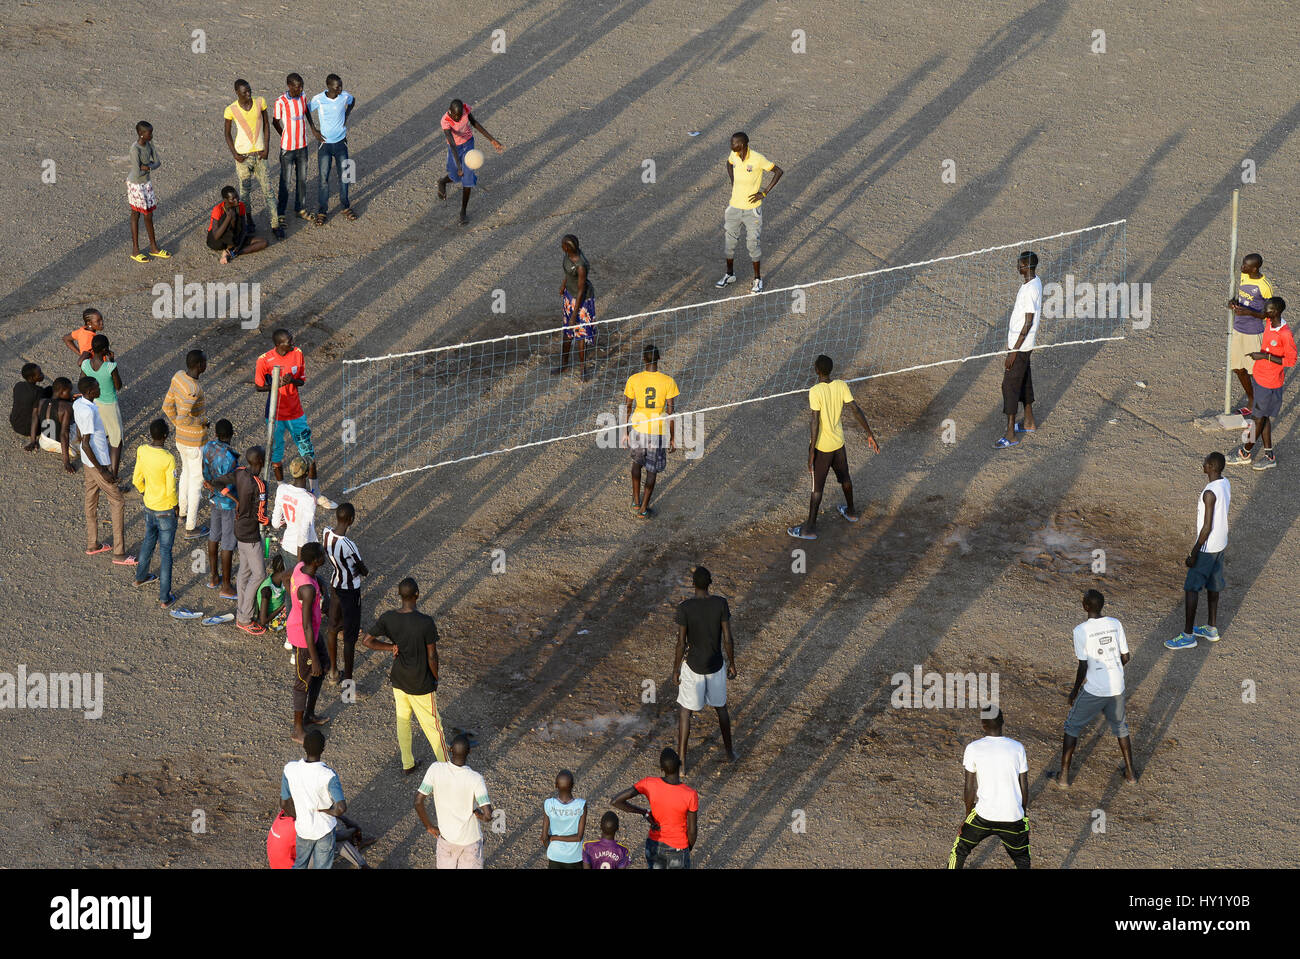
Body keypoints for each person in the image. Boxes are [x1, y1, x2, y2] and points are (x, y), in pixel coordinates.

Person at [788, 354, 880, 540]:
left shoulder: (815, 391)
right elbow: (855, 409)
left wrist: (812, 450)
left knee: (817, 489)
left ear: (816, 370)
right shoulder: (841, 385)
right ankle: (851, 511)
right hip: (839, 443)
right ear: (830, 370)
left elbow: (814, 421)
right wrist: (869, 433)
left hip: (823, 447)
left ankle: (810, 529)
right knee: (845, 478)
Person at [361, 578, 449, 771]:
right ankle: (447, 768)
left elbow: (367, 640)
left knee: (403, 721)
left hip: (399, 680)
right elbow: (432, 655)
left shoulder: (388, 617)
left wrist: (390, 647)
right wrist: (435, 678)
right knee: (433, 726)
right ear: (417, 594)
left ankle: (407, 763)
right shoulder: (425, 622)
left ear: (400, 595)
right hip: (420, 682)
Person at [1054, 590, 1137, 788]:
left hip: (1095, 689)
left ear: (1085, 607)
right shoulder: (1115, 623)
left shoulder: (1080, 630)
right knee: (1121, 728)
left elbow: (1083, 665)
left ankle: (1064, 777)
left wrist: (1074, 692)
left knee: (1072, 727)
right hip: (1117, 686)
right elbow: (1125, 657)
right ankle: (1131, 774)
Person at [255, 328, 335, 506]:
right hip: (275, 416)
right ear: (278, 345)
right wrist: (276, 384)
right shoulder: (264, 360)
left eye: (292, 339)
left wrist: (291, 381)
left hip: (296, 413)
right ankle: (282, 489)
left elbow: (302, 381)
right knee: (276, 456)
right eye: (288, 341)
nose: (293, 343)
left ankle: (315, 493)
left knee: (308, 452)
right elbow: (259, 387)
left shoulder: (297, 353)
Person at [670, 566, 737, 775]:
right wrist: (732, 662)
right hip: (716, 665)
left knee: (685, 712)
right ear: (710, 583)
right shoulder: (720, 603)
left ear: (693, 584)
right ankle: (730, 753)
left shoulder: (685, 607)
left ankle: (681, 764)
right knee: (721, 709)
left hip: (693, 667)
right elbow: (727, 637)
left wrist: (675, 670)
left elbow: (681, 643)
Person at [949, 709, 1030, 869]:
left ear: (983, 724)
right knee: (1022, 860)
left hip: (983, 816)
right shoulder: (1018, 748)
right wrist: (1023, 816)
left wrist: (967, 818)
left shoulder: (973, 748)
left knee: (959, 851)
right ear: (1002, 722)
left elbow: (969, 788)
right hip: (1013, 817)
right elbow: (1024, 788)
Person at [1167, 452, 1230, 649]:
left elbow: (1206, 527)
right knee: (1213, 585)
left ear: (1211, 466)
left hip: (1207, 547)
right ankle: (1211, 629)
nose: (1202, 464)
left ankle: (1188, 636)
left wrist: (1193, 553)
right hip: (1221, 543)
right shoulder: (1225, 482)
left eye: (1205, 463)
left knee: (1191, 588)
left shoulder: (1209, 493)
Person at [1228, 296, 1295, 471]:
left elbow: (1291, 360)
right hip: (1260, 378)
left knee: (1257, 419)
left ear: (1275, 312)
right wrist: (1236, 305)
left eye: (1267, 309)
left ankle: (1244, 453)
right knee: (1262, 417)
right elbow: (1256, 314)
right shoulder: (1269, 320)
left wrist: (1264, 356)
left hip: (1270, 383)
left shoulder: (1285, 334)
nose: (1264, 311)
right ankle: (1269, 455)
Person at [210, 445, 270, 635]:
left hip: (239, 531)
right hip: (251, 534)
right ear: (261, 462)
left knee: (244, 572)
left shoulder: (240, 472)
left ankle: (241, 612)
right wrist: (275, 522)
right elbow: (261, 517)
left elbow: (217, 483)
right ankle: (245, 618)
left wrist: (236, 501)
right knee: (259, 574)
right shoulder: (260, 485)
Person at [715, 132, 782, 294]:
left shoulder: (758, 159)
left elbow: (778, 171)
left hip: (752, 211)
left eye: (734, 143)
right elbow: (729, 163)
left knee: (753, 243)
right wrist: (732, 180)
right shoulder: (734, 154)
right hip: (734, 208)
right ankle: (729, 275)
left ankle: (757, 279)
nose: (731, 145)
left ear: (743, 144)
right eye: (731, 142)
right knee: (729, 244)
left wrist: (763, 193)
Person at [74, 376, 132, 563]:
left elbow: (79, 433)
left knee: (90, 500)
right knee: (117, 501)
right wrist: (104, 471)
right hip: (97, 462)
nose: (100, 389)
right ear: (91, 392)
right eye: (97, 387)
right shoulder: (90, 412)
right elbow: (85, 443)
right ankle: (119, 553)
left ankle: (93, 544)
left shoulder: (78, 404)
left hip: (87, 463)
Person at [414, 734, 493, 869]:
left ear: (450, 750)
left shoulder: (435, 769)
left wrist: (429, 826)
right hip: (471, 842)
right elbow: (488, 815)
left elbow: (418, 801)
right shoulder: (476, 779)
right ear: (469, 752)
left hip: (446, 840)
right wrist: (479, 815)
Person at [612, 748, 698, 869]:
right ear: (679, 764)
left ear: (662, 768)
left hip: (654, 844)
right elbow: (693, 830)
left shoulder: (649, 783)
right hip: (678, 848)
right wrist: (687, 849)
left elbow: (616, 801)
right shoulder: (690, 794)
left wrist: (644, 812)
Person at [622, 344, 679, 518]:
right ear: (659, 359)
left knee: (636, 463)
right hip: (657, 431)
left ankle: (636, 500)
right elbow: (671, 412)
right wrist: (672, 437)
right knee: (652, 470)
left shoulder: (634, 379)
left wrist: (625, 431)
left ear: (643, 359)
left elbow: (627, 406)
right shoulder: (668, 381)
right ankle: (643, 509)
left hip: (638, 428)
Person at [279, 729, 346, 869]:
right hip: (324, 830)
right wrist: (328, 811)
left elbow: (284, 803)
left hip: (303, 829)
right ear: (323, 749)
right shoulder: (329, 775)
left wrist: (299, 816)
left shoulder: (290, 769)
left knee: (300, 864)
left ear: (304, 747)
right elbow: (341, 808)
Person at [131, 418, 181, 608]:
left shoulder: (142, 451)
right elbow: (171, 488)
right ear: (166, 436)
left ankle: (140, 577)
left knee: (148, 540)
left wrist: (144, 491)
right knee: (166, 552)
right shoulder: (168, 458)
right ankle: (164, 597)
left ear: (151, 434)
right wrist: (175, 505)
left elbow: (137, 478)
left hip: (149, 505)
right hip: (165, 509)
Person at [223, 79, 282, 236]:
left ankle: (275, 224)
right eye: (245, 92)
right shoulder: (231, 109)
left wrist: (267, 147)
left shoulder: (260, 102)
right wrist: (235, 154)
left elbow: (267, 125)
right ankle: (249, 221)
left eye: (249, 90)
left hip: (261, 156)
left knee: (268, 190)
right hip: (243, 157)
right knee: (244, 193)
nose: (248, 94)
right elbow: (227, 133)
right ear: (237, 92)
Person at [996, 251, 1042, 448]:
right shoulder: (1034, 282)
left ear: (1027, 266)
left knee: (1009, 386)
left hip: (1021, 347)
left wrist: (1013, 352)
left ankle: (1010, 434)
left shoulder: (1030, 289)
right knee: (1024, 380)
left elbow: (1028, 321)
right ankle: (1029, 422)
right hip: (1023, 345)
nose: (1018, 267)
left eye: (1020, 264)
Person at [162, 349, 209, 539]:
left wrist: (178, 426)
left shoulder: (178, 377)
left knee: (186, 474)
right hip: (195, 441)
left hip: (181, 439)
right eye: (205, 362)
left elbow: (167, 407)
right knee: (196, 482)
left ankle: (182, 512)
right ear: (199, 366)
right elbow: (184, 417)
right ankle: (191, 527)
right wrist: (201, 422)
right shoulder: (194, 389)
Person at [287, 542, 330, 742]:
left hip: (311, 633)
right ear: (316, 561)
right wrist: (313, 657)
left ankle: (309, 714)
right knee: (303, 681)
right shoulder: (307, 590)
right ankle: (297, 729)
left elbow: (288, 578)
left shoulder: (299, 568)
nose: (325, 554)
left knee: (323, 667)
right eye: (322, 554)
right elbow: (306, 626)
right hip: (304, 638)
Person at [436, 98, 503, 226]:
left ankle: (463, 212)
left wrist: (492, 140)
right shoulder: (445, 121)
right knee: (455, 176)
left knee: (468, 178)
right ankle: (442, 181)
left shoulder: (465, 109)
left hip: (468, 144)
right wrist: (459, 165)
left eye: (460, 115)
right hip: (455, 148)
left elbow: (475, 123)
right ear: (450, 112)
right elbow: (452, 144)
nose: (458, 117)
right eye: (455, 115)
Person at [322, 503, 368, 684]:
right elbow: (363, 569)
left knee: (332, 627)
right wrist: (361, 571)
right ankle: (348, 682)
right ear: (351, 520)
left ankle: (333, 671)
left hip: (335, 584)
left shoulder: (326, 533)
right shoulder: (349, 544)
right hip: (350, 591)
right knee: (350, 637)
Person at [272, 73, 323, 232]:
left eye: (301, 86)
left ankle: (300, 209)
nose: (300, 88)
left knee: (302, 179)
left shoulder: (302, 96)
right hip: (287, 148)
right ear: (289, 85)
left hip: (303, 146)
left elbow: (306, 111)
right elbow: (275, 121)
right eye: (296, 86)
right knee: (285, 182)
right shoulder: (281, 101)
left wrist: (313, 129)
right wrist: (284, 135)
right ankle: (280, 214)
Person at [1227, 253, 1274, 417]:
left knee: (1255, 371)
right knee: (1238, 368)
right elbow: (1241, 298)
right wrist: (1233, 303)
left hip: (1254, 333)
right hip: (1238, 329)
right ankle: (1252, 399)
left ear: (1255, 268)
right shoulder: (1244, 277)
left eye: (1245, 266)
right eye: (1242, 265)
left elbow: (1270, 313)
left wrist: (1250, 313)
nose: (1242, 268)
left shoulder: (1264, 285)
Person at [310, 74, 357, 224]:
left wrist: (347, 115)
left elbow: (353, 101)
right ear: (329, 86)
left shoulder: (344, 96)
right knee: (323, 178)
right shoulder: (318, 99)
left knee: (345, 176)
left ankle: (345, 206)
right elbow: (306, 111)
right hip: (324, 145)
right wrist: (314, 130)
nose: (340, 89)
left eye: (341, 85)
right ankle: (322, 211)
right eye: (337, 86)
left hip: (341, 143)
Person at [202, 419, 239, 598]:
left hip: (213, 499)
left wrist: (211, 487)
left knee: (213, 535)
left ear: (216, 434)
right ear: (231, 435)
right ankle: (226, 586)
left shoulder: (207, 447)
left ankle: (214, 577)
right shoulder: (231, 458)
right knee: (228, 542)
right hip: (227, 503)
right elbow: (230, 485)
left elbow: (206, 475)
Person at [268, 807, 374, 869]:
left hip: (279, 865)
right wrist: (353, 829)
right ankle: (363, 865)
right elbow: (334, 838)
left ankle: (355, 846)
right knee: (334, 842)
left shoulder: (283, 816)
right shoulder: (298, 828)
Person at [552, 235, 595, 379]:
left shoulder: (581, 266)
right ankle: (564, 365)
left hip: (581, 302)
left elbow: (581, 290)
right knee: (567, 333)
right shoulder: (568, 255)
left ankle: (583, 369)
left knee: (580, 335)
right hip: (570, 296)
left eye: (563, 244)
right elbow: (568, 273)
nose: (561, 246)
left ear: (567, 247)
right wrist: (564, 285)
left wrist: (573, 316)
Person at [80, 334, 124, 475]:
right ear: (105, 350)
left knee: (102, 435)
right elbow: (118, 386)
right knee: (116, 440)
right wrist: (112, 361)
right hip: (110, 405)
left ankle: (101, 466)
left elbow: (82, 381)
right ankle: (114, 475)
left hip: (95, 403)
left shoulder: (86, 364)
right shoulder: (110, 367)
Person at [126, 121, 169, 262]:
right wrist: (148, 166)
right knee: (137, 214)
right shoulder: (135, 149)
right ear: (141, 134)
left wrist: (147, 167)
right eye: (149, 133)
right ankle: (136, 250)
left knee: (148, 215)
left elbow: (158, 162)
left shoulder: (149, 145)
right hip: (136, 185)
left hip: (146, 183)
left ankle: (153, 247)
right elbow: (137, 170)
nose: (152, 135)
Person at [206, 186, 268, 262]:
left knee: (263, 242)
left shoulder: (240, 206)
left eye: (237, 196)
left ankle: (233, 253)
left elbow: (243, 228)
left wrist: (239, 246)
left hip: (234, 237)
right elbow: (215, 236)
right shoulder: (218, 209)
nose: (237, 200)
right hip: (217, 240)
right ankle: (229, 248)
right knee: (232, 217)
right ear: (225, 200)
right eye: (233, 199)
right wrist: (228, 217)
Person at [541, 770, 587, 869]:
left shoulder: (549, 804)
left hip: (555, 855)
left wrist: (553, 844)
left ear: (556, 785)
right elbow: (579, 837)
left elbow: (544, 837)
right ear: (573, 785)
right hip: (575, 857)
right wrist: (555, 838)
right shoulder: (581, 805)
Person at [24, 376, 75, 467]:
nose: (71, 393)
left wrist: (32, 441)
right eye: (69, 391)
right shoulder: (66, 408)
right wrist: (66, 462)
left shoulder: (41, 401)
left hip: (44, 442)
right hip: (61, 444)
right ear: (62, 391)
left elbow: (34, 418)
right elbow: (64, 434)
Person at [11, 363, 50, 437]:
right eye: (40, 374)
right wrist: (33, 439)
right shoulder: (38, 392)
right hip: (28, 429)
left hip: (15, 424)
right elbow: (35, 415)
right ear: (32, 378)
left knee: (49, 390)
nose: (42, 374)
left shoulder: (18, 385)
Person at [257, 554, 290, 631]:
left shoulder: (280, 579)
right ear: (285, 571)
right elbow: (263, 621)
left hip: (279, 612)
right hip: (271, 622)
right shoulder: (267, 590)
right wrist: (283, 606)